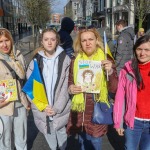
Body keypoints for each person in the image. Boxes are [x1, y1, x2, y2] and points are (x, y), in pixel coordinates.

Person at [66, 27, 118, 150]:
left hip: (96, 112)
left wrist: (110, 71)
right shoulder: (75, 60)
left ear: (97, 41)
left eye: (91, 39)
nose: (88, 43)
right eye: (84, 40)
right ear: (80, 43)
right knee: (82, 145)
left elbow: (114, 88)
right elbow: (70, 81)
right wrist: (71, 88)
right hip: (79, 113)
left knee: (95, 144)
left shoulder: (105, 60)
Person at [26, 28, 71, 150]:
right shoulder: (35, 61)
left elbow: (66, 87)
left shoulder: (66, 60)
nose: (49, 42)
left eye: (52, 39)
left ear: (57, 41)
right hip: (43, 109)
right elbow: (30, 87)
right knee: (48, 132)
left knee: (61, 133)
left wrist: (56, 107)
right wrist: (42, 105)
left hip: (59, 108)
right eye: (46, 39)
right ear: (42, 41)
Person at [113, 35, 150, 150]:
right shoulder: (127, 70)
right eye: (139, 49)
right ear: (135, 50)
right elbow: (120, 98)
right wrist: (118, 122)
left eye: (147, 50)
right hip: (133, 121)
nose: (142, 53)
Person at [0, 28, 29, 150]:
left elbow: (25, 79)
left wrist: (29, 100)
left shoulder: (18, 55)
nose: (4, 44)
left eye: (7, 40)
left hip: (20, 103)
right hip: (3, 106)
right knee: (4, 140)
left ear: (11, 40)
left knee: (21, 138)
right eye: (0, 41)